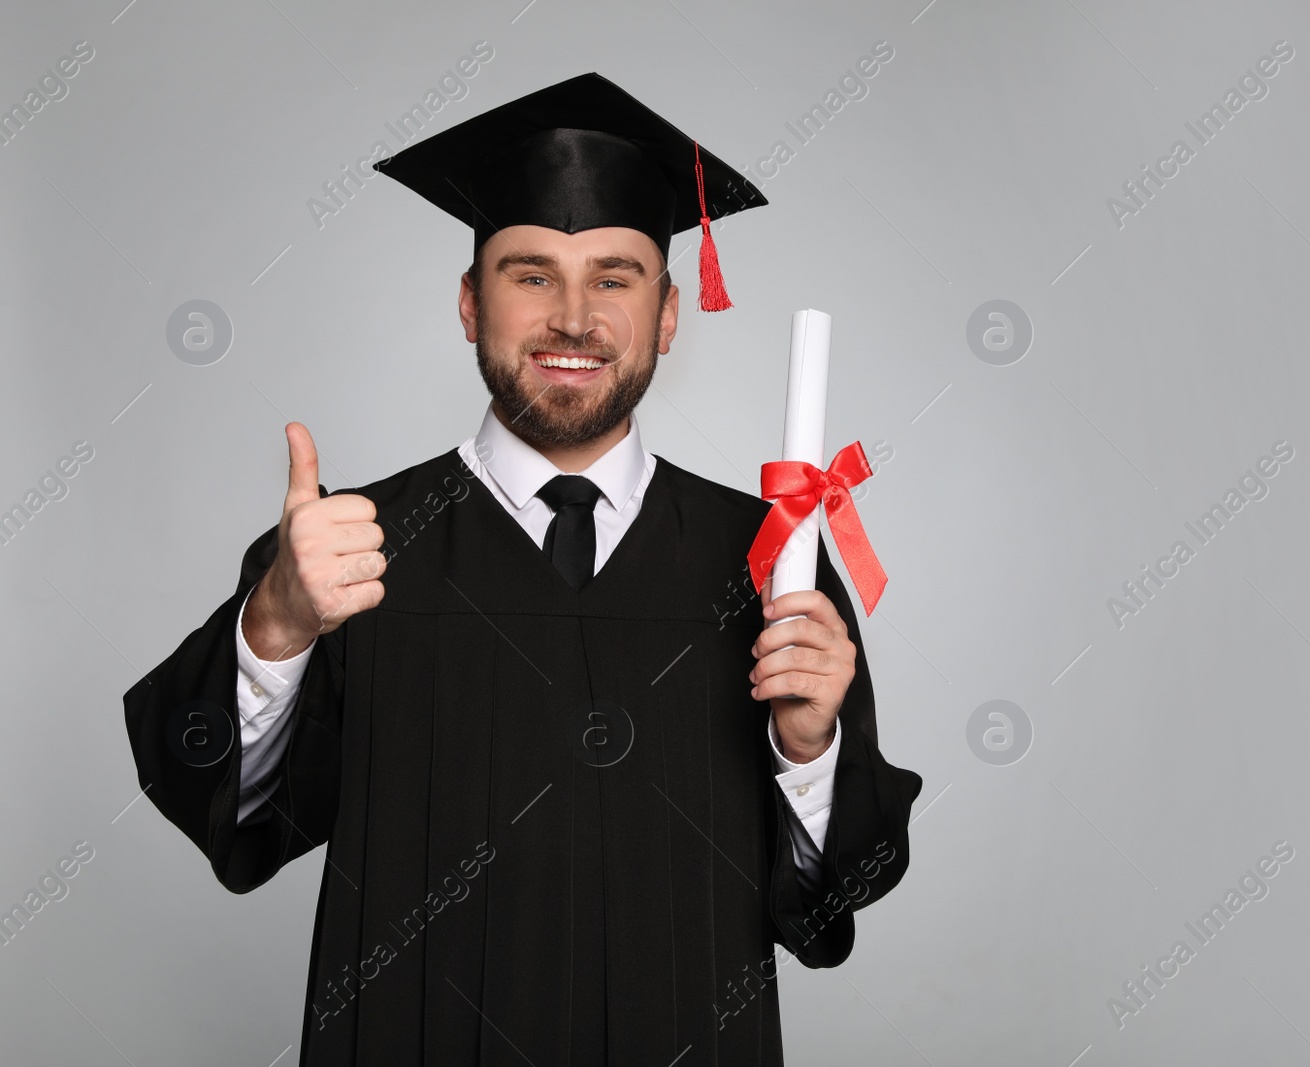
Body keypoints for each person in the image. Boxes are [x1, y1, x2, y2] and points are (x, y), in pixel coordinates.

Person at [122, 72, 922, 1066]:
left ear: (669, 316)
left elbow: (828, 904)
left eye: (616, 277)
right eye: (531, 273)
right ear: (470, 302)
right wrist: (276, 624)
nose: (575, 318)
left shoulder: (771, 563)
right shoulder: (344, 551)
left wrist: (809, 748)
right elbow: (233, 818)